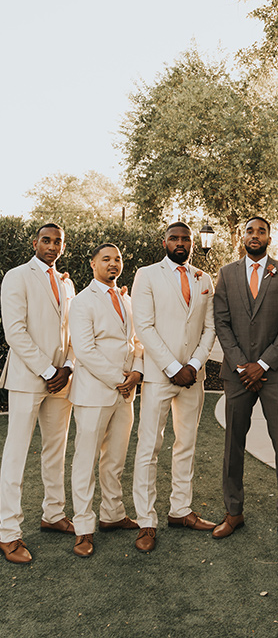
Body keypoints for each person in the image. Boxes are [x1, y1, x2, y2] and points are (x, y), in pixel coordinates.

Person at [213, 217, 278, 547]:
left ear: (268, 237)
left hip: (275, 374)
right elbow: (222, 324)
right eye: (250, 231)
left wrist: (262, 364)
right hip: (236, 377)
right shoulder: (226, 274)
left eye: (261, 231)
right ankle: (233, 513)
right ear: (242, 236)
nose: (255, 236)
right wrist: (241, 366)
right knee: (232, 446)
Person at [131, 222, 216, 552]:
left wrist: (193, 365)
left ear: (192, 244)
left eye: (186, 239)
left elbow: (209, 329)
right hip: (159, 375)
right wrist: (172, 367)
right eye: (175, 238)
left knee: (187, 444)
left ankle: (180, 509)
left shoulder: (204, 279)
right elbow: (145, 327)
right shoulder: (147, 275)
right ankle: (146, 521)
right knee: (149, 447)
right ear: (164, 241)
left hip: (193, 377)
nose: (181, 243)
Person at [0, 223, 75, 563]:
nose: (52, 246)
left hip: (62, 381)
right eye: (46, 240)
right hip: (30, 378)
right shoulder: (17, 276)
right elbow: (14, 332)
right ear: (35, 243)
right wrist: (47, 371)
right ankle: (7, 533)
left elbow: (75, 331)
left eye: (58, 241)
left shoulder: (68, 282)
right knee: (15, 455)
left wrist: (68, 368)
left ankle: (54, 514)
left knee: (55, 451)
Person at [68, 244, 143, 557]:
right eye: (106, 259)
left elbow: (137, 341)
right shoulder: (82, 301)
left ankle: (112, 514)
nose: (113, 264)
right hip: (94, 393)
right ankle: (83, 528)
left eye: (118, 259)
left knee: (114, 459)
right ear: (93, 264)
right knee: (85, 461)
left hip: (125, 394)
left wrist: (137, 373)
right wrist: (119, 380)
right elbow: (84, 350)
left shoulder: (126, 299)